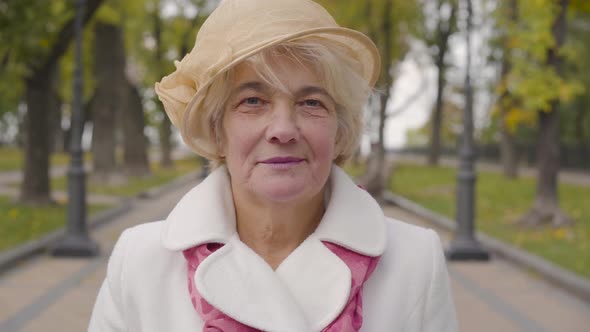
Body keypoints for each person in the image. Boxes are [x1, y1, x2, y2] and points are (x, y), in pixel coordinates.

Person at [88, 0, 457, 331]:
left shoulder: (415, 261)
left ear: (339, 129)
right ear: (218, 130)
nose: (283, 129)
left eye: (311, 103)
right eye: (252, 101)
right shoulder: (139, 262)